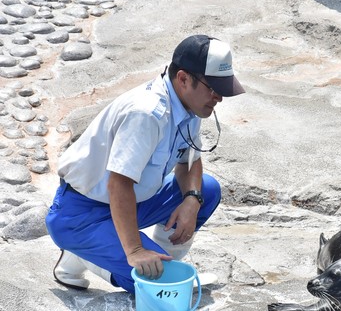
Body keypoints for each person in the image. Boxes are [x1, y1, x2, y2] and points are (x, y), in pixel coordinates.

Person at [45, 34, 245, 293]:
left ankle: (163, 261)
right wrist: (136, 251)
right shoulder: (146, 114)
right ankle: (83, 251)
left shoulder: (190, 104)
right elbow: (118, 184)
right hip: (81, 215)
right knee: (157, 288)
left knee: (206, 190)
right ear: (183, 79)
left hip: (131, 204)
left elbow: (190, 160)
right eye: (214, 89)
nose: (219, 97)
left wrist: (192, 200)